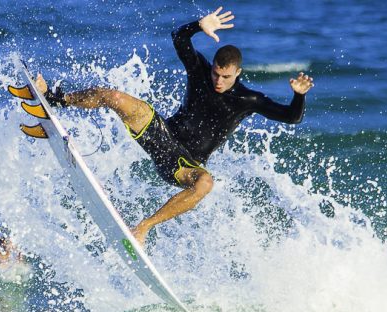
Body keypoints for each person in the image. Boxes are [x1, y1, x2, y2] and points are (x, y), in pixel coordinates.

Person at [36, 7, 314, 246]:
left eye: (225, 76)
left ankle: (144, 227)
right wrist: (198, 26)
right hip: (161, 134)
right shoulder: (201, 71)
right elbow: (179, 38)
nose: (218, 80)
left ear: (238, 73)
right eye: (216, 73)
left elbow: (291, 117)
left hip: (184, 164)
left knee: (206, 183)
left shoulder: (248, 99)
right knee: (115, 97)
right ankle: (55, 99)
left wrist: (299, 96)